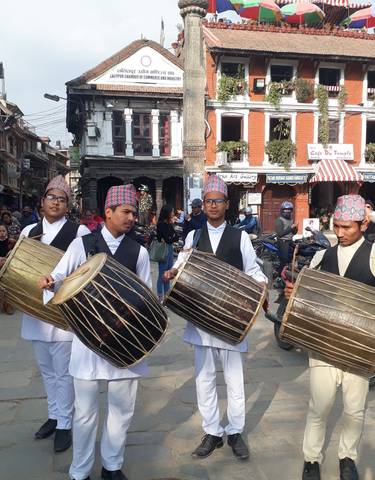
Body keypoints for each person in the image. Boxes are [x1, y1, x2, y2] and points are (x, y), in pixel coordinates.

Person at [39, 184, 151, 480]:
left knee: (121, 411)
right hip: (88, 340)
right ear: (108, 212)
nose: (131, 218)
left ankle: (112, 467)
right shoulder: (82, 244)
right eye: (126, 212)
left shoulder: (138, 251)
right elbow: (61, 276)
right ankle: (80, 471)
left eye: (134, 213)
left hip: (126, 342)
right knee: (85, 413)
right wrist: (52, 282)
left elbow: (147, 295)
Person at [164, 175, 267, 461]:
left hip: (230, 319)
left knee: (234, 379)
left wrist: (260, 283)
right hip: (201, 319)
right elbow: (180, 266)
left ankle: (234, 431)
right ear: (203, 204)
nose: (212, 205)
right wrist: (172, 273)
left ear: (226, 204)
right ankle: (211, 431)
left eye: (217, 201)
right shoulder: (192, 237)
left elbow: (253, 270)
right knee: (204, 379)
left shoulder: (240, 236)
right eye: (208, 201)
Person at [285, 195, 374, 480]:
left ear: (363, 223)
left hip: (358, 351)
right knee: (320, 406)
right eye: (336, 226)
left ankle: (348, 458)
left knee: (354, 410)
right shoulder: (323, 256)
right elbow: (305, 291)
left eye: (346, 227)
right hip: (323, 347)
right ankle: (311, 459)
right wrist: (293, 293)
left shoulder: (374, 255)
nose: (339, 233)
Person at [21, 175, 91, 453]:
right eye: (52, 197)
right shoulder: (29, 231)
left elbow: (85, 271)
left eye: (61, 199)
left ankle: (65, 423)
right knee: (47, 371)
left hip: (63, 313)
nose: (56, 203)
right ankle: (54, 415)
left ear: (67, 205)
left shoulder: (79, 232)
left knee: (63, 372)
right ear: (42, 202)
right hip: (35, 309)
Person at [156, 204, 178, 302]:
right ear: (167, 213)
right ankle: (160, 296)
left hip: (170, 249)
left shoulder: (169, 224)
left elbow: (176, 237)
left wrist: (171, 237)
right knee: (162, 273)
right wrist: (171, 237)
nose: (173, 213)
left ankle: (167, 294)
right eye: (172, 211)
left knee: (169, 273)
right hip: (163, 250)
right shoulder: (161, 224)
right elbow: (168, 239)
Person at [275, 201, 298, 272]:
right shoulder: (279, 220)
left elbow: (293, 233)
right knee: (284, 259)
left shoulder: (291, 220)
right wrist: (291, 228)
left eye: (289, 210)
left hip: (290, 241)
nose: (287, 211)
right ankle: (279, 274)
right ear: (282, 210)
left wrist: (295, 228)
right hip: (282, 241)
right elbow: (280, 233)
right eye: (286, 209)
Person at [0, 223, 15, 314]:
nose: (1, 233)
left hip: (9, 267)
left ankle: (8, 306)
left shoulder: (12, 242)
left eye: (3, 231)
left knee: (8, 287)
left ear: (6, 232)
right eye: (0, 231)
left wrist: (7, 259)